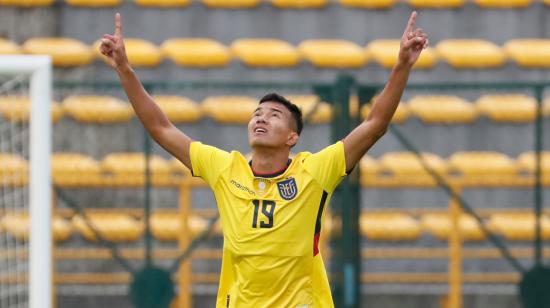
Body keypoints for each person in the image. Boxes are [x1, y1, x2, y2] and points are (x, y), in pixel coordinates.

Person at [99, 11, 428, 308]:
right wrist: (125, 70)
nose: (261, 118)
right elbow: (161, 128)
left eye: (274, 115)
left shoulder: (314, 171)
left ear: (292, 137)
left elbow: (374, 125)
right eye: (257, 113)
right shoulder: (225, 168)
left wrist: (402, 66)